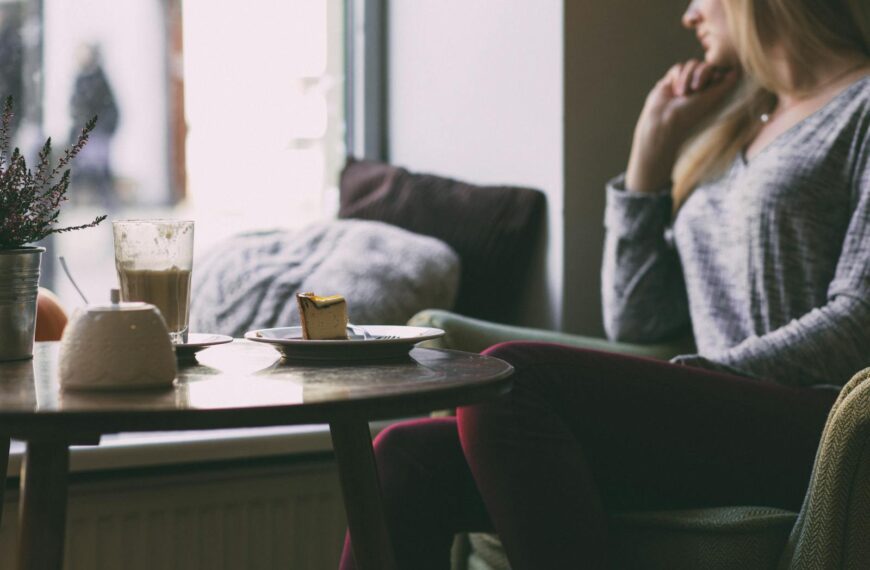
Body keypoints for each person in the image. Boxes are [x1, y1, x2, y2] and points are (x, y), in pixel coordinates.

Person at [340, 0, 870, 568]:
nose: (689, 16)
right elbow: (641, 320)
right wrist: (651, 153)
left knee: (512, 378)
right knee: (402, 456)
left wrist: (701, 377)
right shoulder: (740, 120)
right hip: (708, 416)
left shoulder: (859, 107)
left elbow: (859, 319)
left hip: (824, 424)